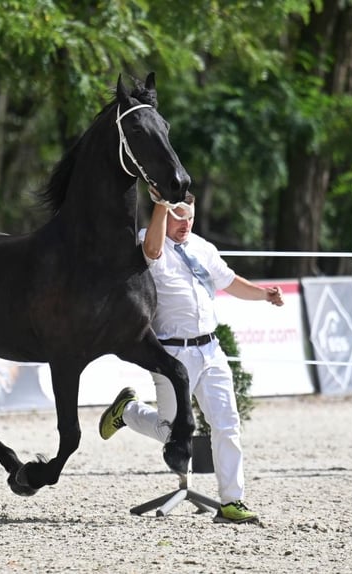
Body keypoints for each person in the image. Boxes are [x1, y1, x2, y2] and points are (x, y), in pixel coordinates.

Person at [99, 193, 284, 524]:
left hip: (211, 349)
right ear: (165, 214)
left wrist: (264, 295)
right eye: (179, 216)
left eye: (190, 217)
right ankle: (127, 411)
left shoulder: (203, 248)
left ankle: (232, 501)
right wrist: (160, 204)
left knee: (227, 424)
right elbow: (153, 252)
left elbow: (229, 282)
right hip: (173, 354)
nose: (185, 224)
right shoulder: (149, 240)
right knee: (171, 432)